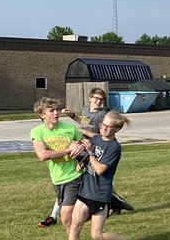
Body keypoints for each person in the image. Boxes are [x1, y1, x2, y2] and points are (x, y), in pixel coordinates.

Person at [68, 111, 136, 240]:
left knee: (96, 234)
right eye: (103, 125)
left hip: (100, 195)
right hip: (85, 191)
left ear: (116, 129)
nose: (104, 128)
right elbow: (86, 133)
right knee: (74, 227)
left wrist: (90, 152)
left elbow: (99, 169)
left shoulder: (114, 148)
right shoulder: (97, 138)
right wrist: (83, 162)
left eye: (108, 126)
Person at [58, 87, 135, 219]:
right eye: (96, 98)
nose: (99, 101)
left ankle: (111, 200)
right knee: (87, 177)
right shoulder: (86, 110)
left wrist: (89, 143)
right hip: (85, 144)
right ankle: (113, 201)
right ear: (90, 98)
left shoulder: (103, 114)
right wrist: (71, 116)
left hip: (94, 147)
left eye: (101, 99)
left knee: (92, 177)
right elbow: (84, 122)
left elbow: (102, 133)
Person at [29, 97, 87, 236]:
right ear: (42, 115)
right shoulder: (37, 132)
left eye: (56, 110)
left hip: (75, 175)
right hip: (57, 179)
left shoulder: (69, 128)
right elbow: (42, 155)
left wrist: (80, 146)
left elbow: (86, 141)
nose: (56, 113)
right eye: (51, 110)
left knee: (66, 216)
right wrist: (68, 150)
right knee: (69, 219)